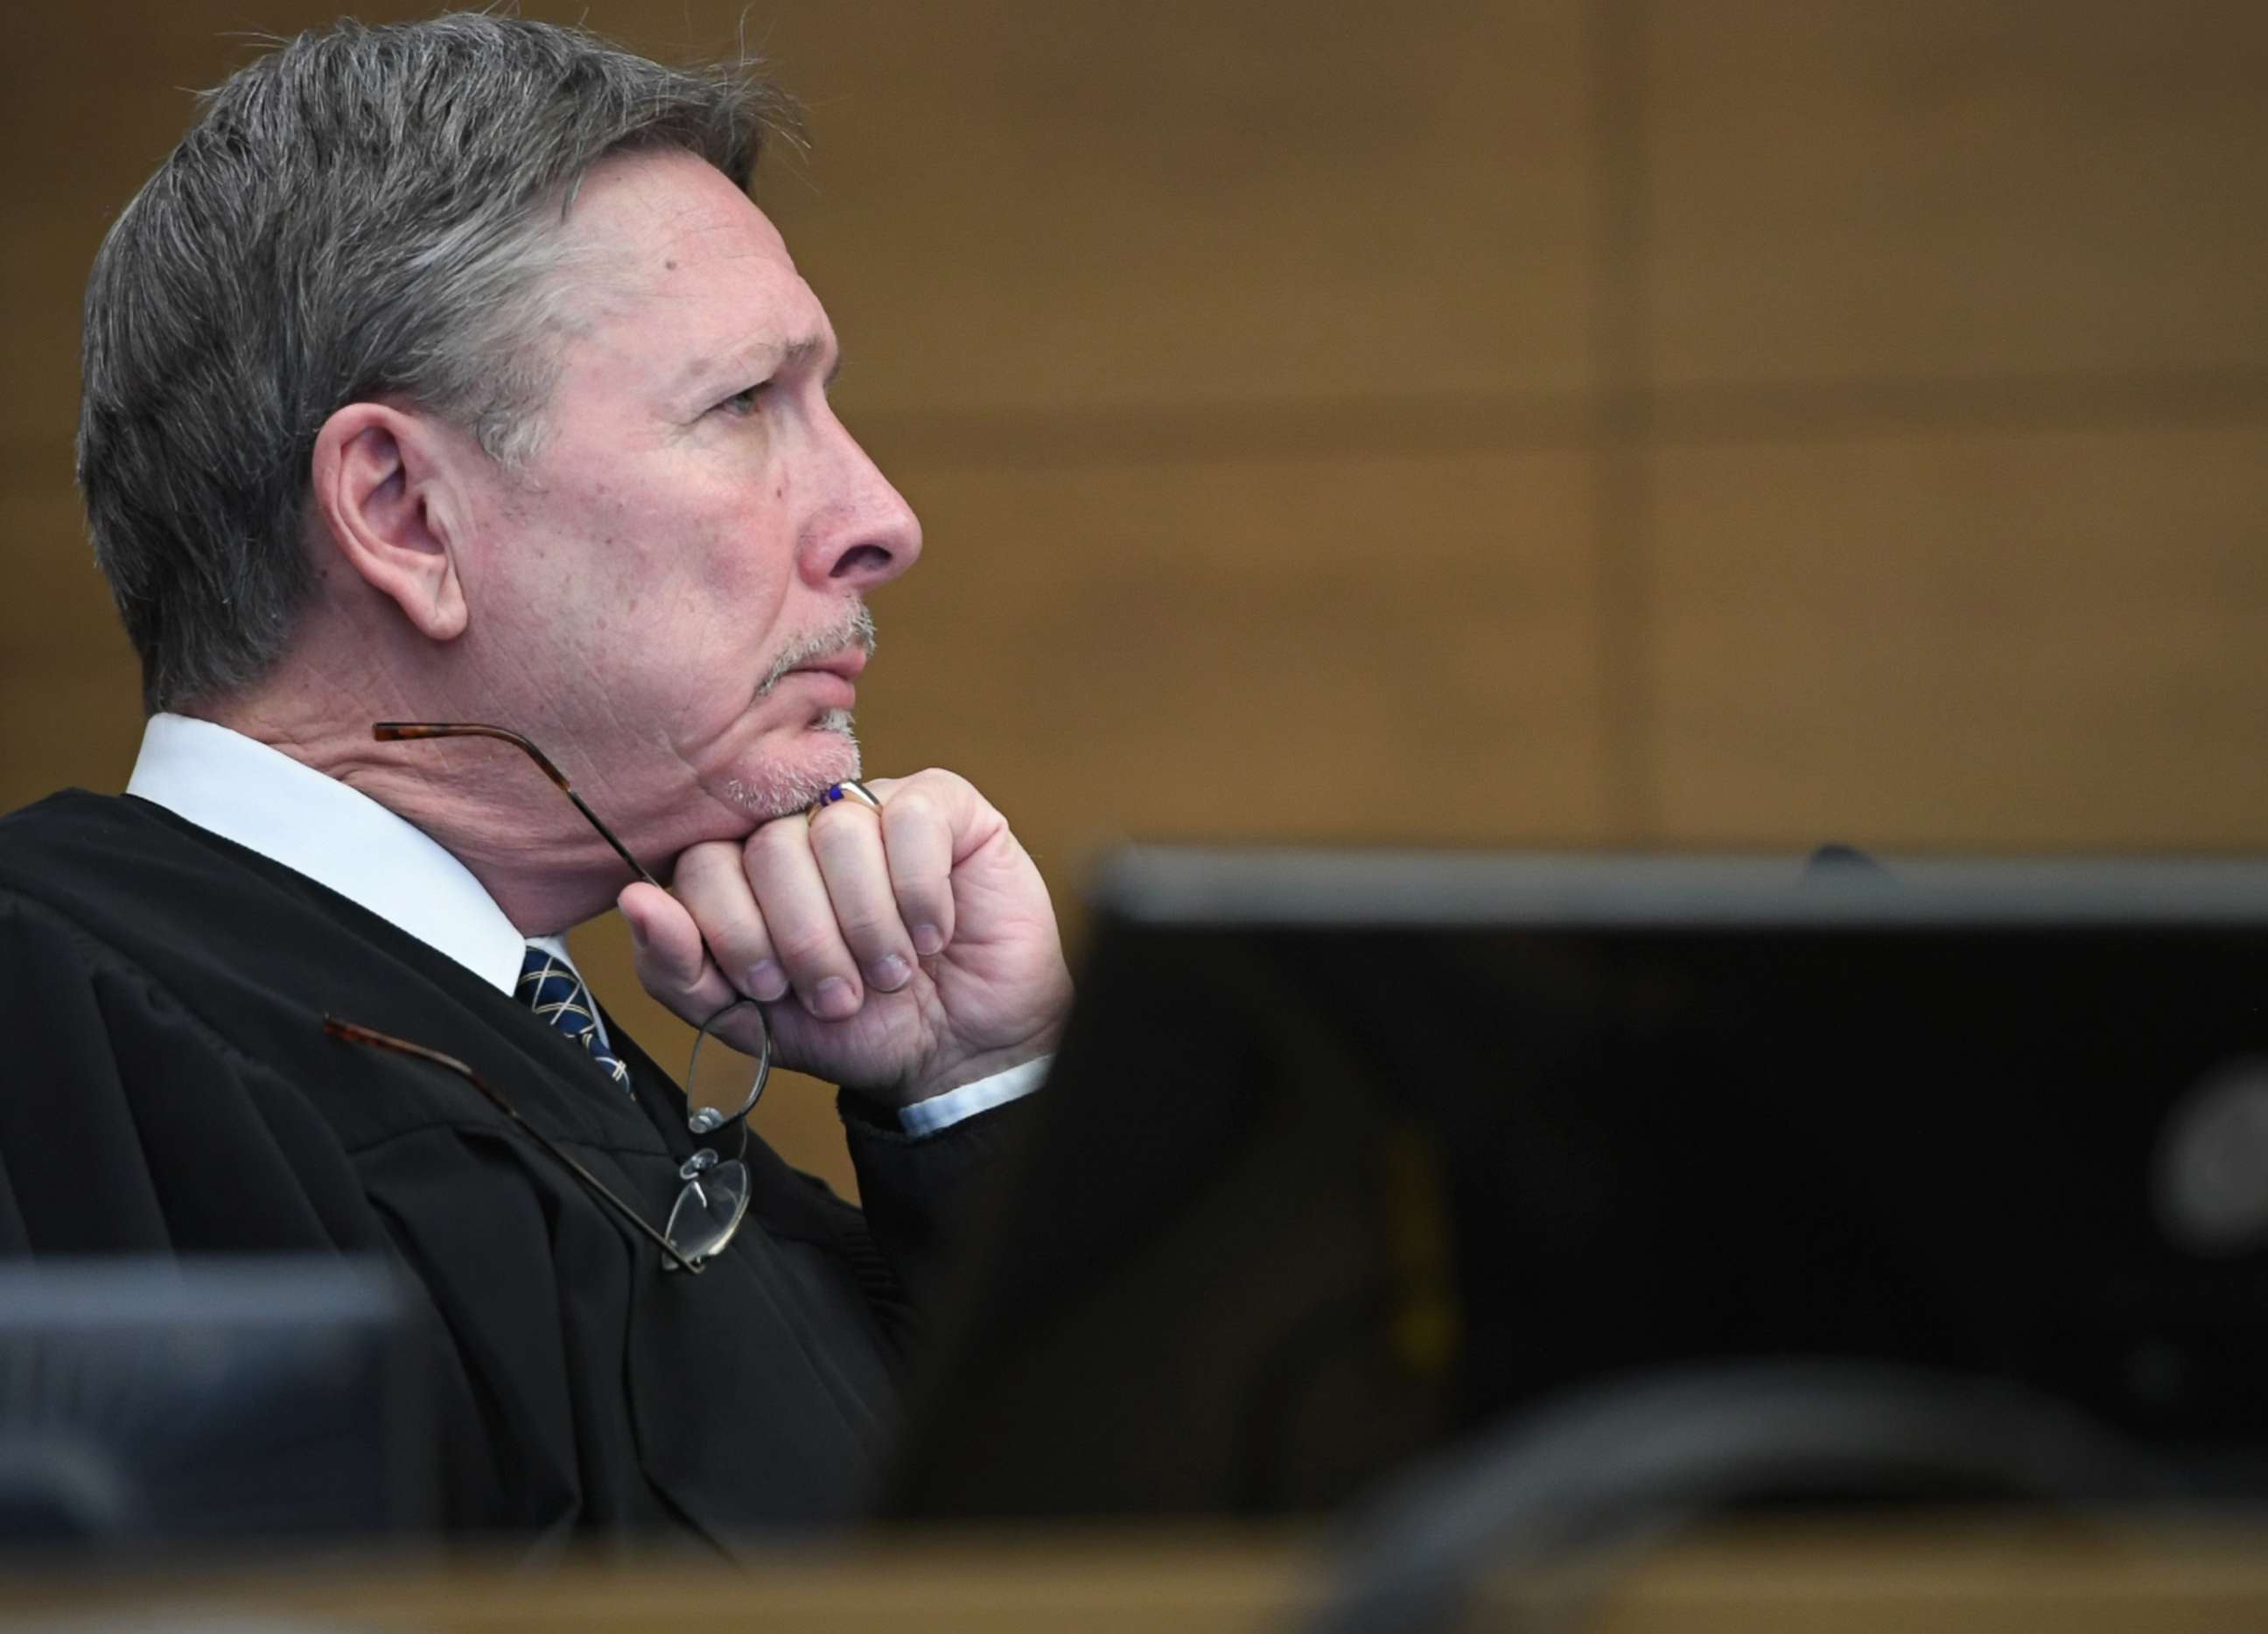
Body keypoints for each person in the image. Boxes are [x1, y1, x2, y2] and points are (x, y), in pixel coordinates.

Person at [0, 13, 1074, 1544]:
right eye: (746, 407)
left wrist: (973, 1098)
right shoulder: (62, 1041)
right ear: (404, 515)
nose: (881, 517)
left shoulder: (592, 1094)